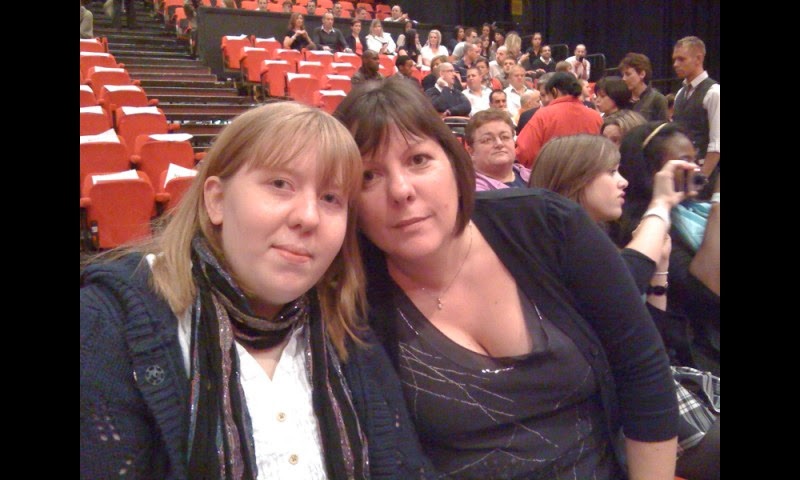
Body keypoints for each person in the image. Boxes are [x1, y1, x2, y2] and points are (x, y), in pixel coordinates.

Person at [333, 76, 679, 480]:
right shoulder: (353, 301)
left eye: (418, 160)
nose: (401, 190)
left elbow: (642, 369)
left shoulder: (546, 224)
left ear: (453, 160)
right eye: (368, 176)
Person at [81, 101, 437, 479]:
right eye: (280, 184)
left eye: (331, 198)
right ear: (216, 200)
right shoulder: (106, 325)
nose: (308, 217)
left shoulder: (350, 330)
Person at [528, 133, 720, 480]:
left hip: (660, 386)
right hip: (627, 415)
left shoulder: (604, 241)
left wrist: (659, 271)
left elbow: (652, 341)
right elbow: (626, 285)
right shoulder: (559, 255)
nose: (624, 181)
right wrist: (660, 206)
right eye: (611, 172)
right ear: (576, 178)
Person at [613, 121, 720, 377]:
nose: (696, 170)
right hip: (696, 353)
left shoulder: (694, 209)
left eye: (696, 159)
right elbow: (709, 291)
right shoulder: (644, 229)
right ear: (652, 171)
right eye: (684, 161)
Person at [515, 72, 603, 168]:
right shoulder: (595, 116)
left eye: (547, 94)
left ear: (554, 91)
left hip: (552, 177)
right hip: (590, 176)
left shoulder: (543, 116)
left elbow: (524, 153)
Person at [671, 36, 720, 190]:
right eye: (674, 59)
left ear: (698, 59)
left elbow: (717, 144)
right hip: (682, 174)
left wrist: (700, 180)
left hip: (704, 179)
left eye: (681, 59)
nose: (675, 64)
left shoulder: (714, 92)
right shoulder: (680, 93)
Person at [466, 108, 531, 189]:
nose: (499, 144)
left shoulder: (533, 177)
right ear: (471, 151)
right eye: (487, 140)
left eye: (505, 137)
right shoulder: (469, 190)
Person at [619, 52, 669, 122]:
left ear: (642, 74)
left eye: (628, 74)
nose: (623, 78)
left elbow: (663, 129)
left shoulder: (657, 99)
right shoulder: (623, 99)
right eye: (623, 75)